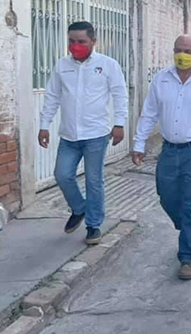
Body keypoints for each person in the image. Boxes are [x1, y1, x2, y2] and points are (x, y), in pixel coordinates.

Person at [132, 35, 191, 280]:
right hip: (168, 151)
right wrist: (139, 143)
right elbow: (149, 113)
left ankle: (187, 257)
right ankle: (184, 224)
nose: (182, 54)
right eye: (178, 50)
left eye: (187, 50)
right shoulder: (162, 79)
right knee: (167, 196)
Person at [38, 21, 128, 246]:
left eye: (81, 41)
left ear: (93, 41)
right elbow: (52, 96)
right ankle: (79, 208)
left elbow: (120, 94)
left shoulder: (107, 65)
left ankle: (93, 225)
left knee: (94, 181)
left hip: (96, 135)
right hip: (69, 135)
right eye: (72, 41)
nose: (75, 46)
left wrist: (119, 123)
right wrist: (44, 124)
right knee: (62, 175)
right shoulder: (62, 65)